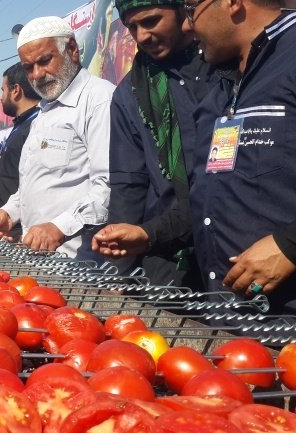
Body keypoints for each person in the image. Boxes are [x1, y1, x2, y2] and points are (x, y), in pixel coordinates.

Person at [90, 0, 215, 288]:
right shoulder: (130, 93)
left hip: (232, 251)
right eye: (132, 27)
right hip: (164, 256)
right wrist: (118, 273)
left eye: (151, 21)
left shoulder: (221, 70)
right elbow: (128, 184)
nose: (142, 35)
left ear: (183, 11)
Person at [182, 0, 296, 307]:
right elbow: (212, 195)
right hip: (231, 321)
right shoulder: (221, 84)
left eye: (190, 8)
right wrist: (148, 233)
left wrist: (289, 245)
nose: (185, 24)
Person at [0, 16, 115, 259]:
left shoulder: (99, 100)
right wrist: (8, 213)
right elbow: (34, 186)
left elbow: (108, 185)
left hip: (80, 263)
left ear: (72, 49)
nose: (37, 75)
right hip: (39, 259)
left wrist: (60, 227)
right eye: (29, 68)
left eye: (44, 61)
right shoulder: (44, 111)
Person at [0, 62, 42, 224]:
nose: (1, 98)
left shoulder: (36, 125)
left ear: (15, 90)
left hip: (14, 224)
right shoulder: (21, 124)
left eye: (3, 90)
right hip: (0, 223)